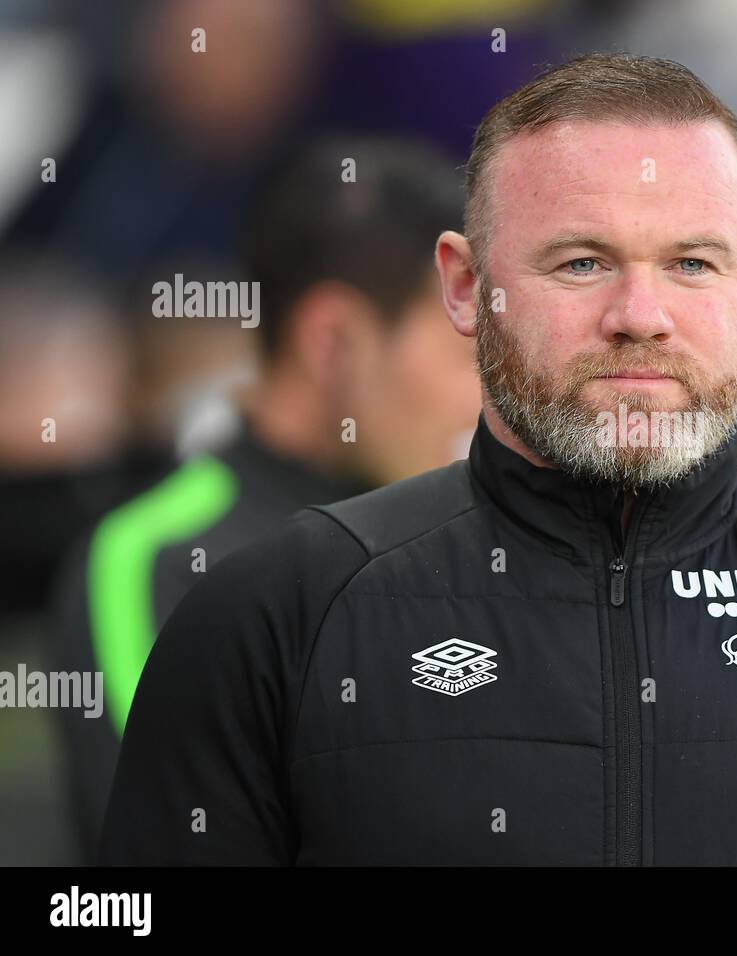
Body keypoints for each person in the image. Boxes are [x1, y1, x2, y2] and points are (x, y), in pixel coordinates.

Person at [99, 54, 737, 866]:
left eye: (693, 263)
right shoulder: (273, 618)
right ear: (463, 284)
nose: (640, 317)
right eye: (581, 262)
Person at [54, 137, 481, 861]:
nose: (483, 397)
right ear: (334, 340)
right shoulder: (151, 559)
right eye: (464, 354)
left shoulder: (480, 536)